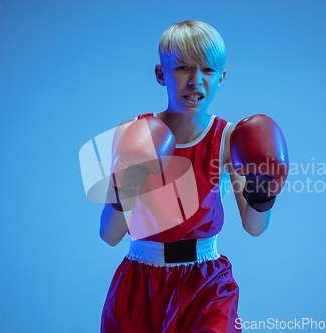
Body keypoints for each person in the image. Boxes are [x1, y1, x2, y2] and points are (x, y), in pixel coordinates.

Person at [99, 20, 289, 333]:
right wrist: (125, 185)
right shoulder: (133, 133)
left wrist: (264, 193)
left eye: (208, 70)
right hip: (141, 283)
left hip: (206, 283)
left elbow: (254, 228)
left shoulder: (230, 139)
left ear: (221, 78)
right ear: (161, 74)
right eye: (183, 68)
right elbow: (109, 235)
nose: (195, 81)